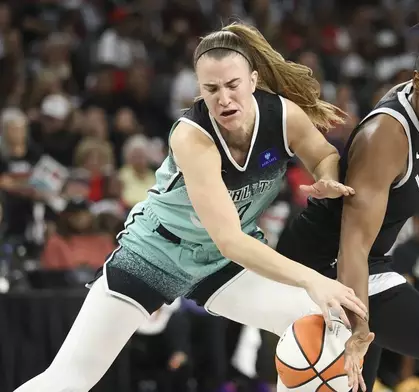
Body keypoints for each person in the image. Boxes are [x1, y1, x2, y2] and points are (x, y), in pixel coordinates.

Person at [155, 1, 419, 391]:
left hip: (368, 263)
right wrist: (359, 328)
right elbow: (353, 244)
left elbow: (417, 177)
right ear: (417, 82)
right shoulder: (384, 139)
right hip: (331, 265)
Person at [15, 23, 369, 392]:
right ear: (198, 89)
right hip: (155, 253)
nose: (224, 99)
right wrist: (313, 279)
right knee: (70, 378)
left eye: (232, 86)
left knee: (323, 325)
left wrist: (326, 176)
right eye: (211, 89)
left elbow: (325, 153)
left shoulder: (283, 116)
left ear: (252, 80)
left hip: (219, 264)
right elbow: (231, 240)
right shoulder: (192, 136)